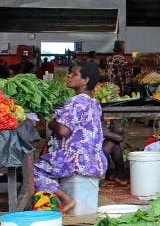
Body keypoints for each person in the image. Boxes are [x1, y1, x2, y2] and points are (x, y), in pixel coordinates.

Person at [33, 62, 107, 212]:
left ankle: (67, 199)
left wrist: (51, 123)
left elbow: (62, 131)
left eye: (74, 74)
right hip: (95, 160)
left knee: (32, 168)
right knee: (49, 162)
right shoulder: (95, 102)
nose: (69, 76)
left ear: (85, 80)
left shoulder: (76, 101)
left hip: (76, 160)